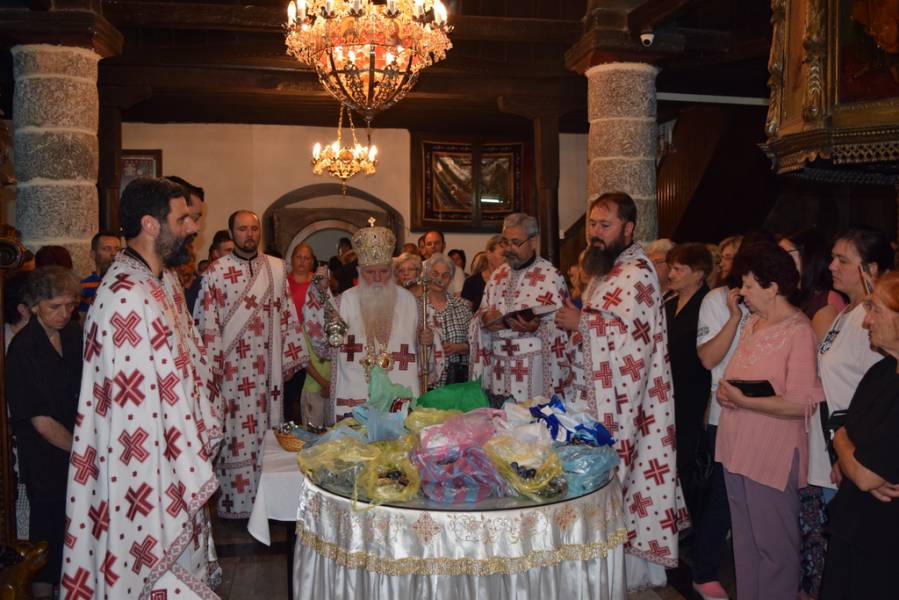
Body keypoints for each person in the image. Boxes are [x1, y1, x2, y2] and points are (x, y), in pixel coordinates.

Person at [62, 177, 222, 598]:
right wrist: (179, 463)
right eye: (182, 219)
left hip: (169, 458)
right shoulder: (125, 295)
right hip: (144, 473)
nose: (192, 227)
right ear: (151, 225)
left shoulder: (156, 281)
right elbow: (133, 411)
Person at [555, 192, 685, 589]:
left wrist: (583, 323)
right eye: (592, 224)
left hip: (625, 403)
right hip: (595, 397)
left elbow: (635, 341)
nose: (595, 232)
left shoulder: (638, 273)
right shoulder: (605, 270)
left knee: (619, 481)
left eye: (605, 225)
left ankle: (619, 569)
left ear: (628, 229)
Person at [715, 241, 824, 600]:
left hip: (771, 453)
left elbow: (800, 404)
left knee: (775, 549)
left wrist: (743, 400)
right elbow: (736, 377)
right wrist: (727, 394)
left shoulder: (799, 331)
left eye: (748, 285)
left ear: (772, 287)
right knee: (745, 544)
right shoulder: (753, 324)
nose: (742, 292)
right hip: (736, 446)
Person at [194, 210, 307, 518]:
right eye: (242, 229)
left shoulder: (276, 269)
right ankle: (235, 504)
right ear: (232, 233)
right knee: (234, 436)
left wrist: (289, 357)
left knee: (266, 435)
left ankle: (268, 505)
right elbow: (207, 325)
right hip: (231, 374)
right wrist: (212, 371)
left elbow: (288, 314)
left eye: (254, 229)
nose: (249, 234)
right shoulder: (215, 273)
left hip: (267, 372)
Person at [819, 272, 899, 599]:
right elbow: (847, 437)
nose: (867, 321)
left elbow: (865, 475)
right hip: (853, 527)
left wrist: (843, 443)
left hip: (885, 545)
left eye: (876, 310)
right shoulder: (881, 371)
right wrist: (846, 448)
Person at [304, 225, 436, 421]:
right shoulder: (343, 303)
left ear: (392, 272)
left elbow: (427, 360)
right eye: (370, 272)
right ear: (359, 272)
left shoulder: (411, 303)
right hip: (354, 396)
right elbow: (322, 348)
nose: (377, 278)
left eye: (383, 271)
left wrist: (429, 341)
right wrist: (318, 293)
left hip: (400, 397)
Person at [6, 267, 81, 599]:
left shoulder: (73, 334)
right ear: (34, 305)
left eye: (70, 305)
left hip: (75, 446)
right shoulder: (23, 349)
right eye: (55, 306)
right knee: (47, 534)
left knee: (77, 531)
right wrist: (81, 450)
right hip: (45, 456)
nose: (64, 313)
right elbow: (40, 420)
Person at [469, 214, 568, 402]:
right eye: (505, 242)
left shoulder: (550, 276)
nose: (509, 249)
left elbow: (564, 328)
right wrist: (484, 319)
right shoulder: (497, 276)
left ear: (533, 241)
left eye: (515, 242)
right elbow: (479, 315)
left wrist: (537, 327)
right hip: (498, 370)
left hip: (533, 370)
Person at [664, 243, 712, 522]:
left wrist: (709, 403)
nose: (671, 274)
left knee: (689, 461)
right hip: (669, 394)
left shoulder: (708, 305)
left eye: (679, 269)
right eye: (671, 268)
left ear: (698, 273)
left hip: (695, 393)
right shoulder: (669, 303)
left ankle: (694, 522)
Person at [779, 229, 845, 342]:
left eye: (785, 254)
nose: (778, 260)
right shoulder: (794, 297)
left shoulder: (825, 302)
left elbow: (818, 352)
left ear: (807, 256)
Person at [422, 253, 473, 387]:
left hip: (456, 382)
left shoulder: (462, 307)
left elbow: (476, 342)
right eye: (435, 274)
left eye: (445, 276)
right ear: (427, 275)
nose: (439, 279)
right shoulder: (418, 305)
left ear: (451, 279)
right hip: (425, 382)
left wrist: (460, 347)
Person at [283, 243, 317, 423]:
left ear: (312, 261)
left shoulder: (319, 283)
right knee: (290, 395)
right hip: (289, 344)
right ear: (292, 259)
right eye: (298, 257)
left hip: (313, 345)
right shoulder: (283, 282)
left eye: (306, 258)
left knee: (310, 394)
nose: (302, 261)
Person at [79, 231, 121, 315]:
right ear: (93, 254)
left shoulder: (127, 282)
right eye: (107, 249)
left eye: (117, 249)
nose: (114, 253)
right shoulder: (83, 287)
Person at [461, 234, 504, 312]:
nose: (506, 259)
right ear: (489, 254)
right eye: (502, 255)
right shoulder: (471, 282)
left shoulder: (513, 280)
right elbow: (465, 314)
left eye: (509, 255)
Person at [422, 230, 464, 294]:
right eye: (429, 244)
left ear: (444, 245)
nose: (433, 246)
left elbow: (458, 297)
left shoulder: (456, 270)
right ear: (425, 247)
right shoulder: (420, 267)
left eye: (437, 243)